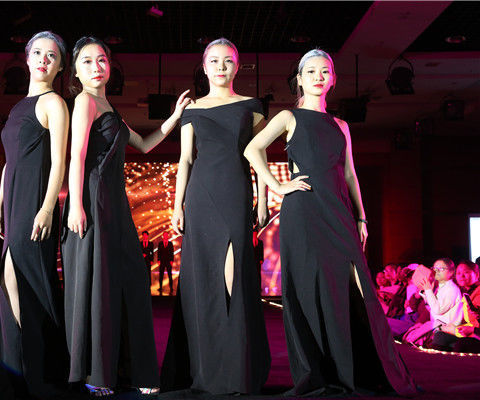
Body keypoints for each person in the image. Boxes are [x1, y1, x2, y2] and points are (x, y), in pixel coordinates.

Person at [244, 49, 417, 396]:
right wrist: (278, 186)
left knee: (357, 288)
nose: (318, 76)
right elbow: (252, 149)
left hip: (338, 212)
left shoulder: (341, 125)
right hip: (304, 211)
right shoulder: (288, 117)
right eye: (311, 71)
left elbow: (350, 174)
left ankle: (363, 370)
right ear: (300, 79)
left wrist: (361, 216)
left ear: (333, 79)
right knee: (309, 290)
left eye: (325, 71)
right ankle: (318, 373)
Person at [61, 36, 192, 397]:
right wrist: (76, 204)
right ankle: (95, 373)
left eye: (102, 60)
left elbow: (145, 144)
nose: (96, 67)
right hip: (93, 200)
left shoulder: (109, 107)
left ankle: (134, 371)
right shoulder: (85, 100)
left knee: (130, 281)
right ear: (75, 72)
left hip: (115, 203)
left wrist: (174, 118)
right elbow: (76, 156)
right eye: (87, 61)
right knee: (99, 285)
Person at [162, 38, 270, 395]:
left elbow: (260, 156)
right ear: (204, 67)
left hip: (236, 193)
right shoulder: (192, 110)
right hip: (201, 196)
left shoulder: (251, 106)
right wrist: (177, 206)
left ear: (237, 66)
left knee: (235, 277)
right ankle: (208, 367)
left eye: (228, 61)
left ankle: (238, 367)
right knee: (204, 281)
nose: (221, 66)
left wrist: (263, 200)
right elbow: (185, 160)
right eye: (214, 61)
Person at [0, 31, 70, 400]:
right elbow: (9, 162)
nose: (43, 60)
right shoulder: (18, 107)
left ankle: (32, 367)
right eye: (37, 53)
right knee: (11, 278)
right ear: (27, 57)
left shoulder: (54, 103)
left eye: (52, 56)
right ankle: (22, 363)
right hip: (14, 202)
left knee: (21, 277)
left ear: (60, 66)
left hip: (35, 203)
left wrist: (48, 208)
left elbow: (60, 162)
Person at [157, 231, 175, 295]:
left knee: (170, 275)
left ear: (168, 236)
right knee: (161, 275)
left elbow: (172, 252)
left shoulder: (170, 243)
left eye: (166, 235)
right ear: (163, 236)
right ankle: (160, 287)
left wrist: (172, 260)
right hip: (162, 261)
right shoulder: (160, 243)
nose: (165, 236)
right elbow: (159, 252)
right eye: (164, 235)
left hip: (168, 261)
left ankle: (171, 288)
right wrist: (158, 260)